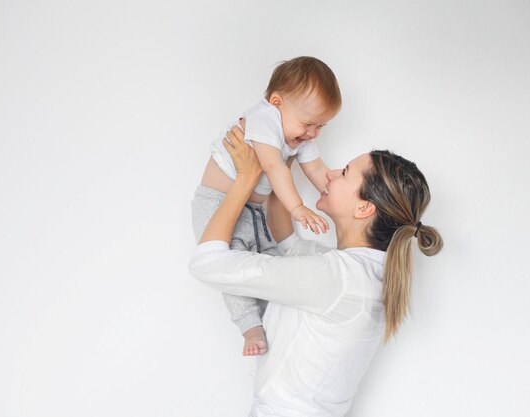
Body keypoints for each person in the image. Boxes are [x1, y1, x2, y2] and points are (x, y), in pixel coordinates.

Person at [188, 122, 443, 417]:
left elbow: (206, 263)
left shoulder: (337, 279)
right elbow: (289, 245)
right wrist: (278, 165)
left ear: (364, 209)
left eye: (345, 173)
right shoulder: (361, 276)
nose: (331, 173)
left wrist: (247, 177)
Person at [192, 56, 341, 356]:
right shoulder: (264, 119)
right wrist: (298, 208)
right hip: (218, 203)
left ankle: (272, 320)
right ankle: (249, 326)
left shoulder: (299, 133)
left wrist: (337, 193)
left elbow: (314, 168)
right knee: (230, 263)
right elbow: (274, 167)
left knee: (267, 261)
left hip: (255, 210)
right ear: (277, 102)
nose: (312, 134)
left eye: (321, 127)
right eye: (309, 124)